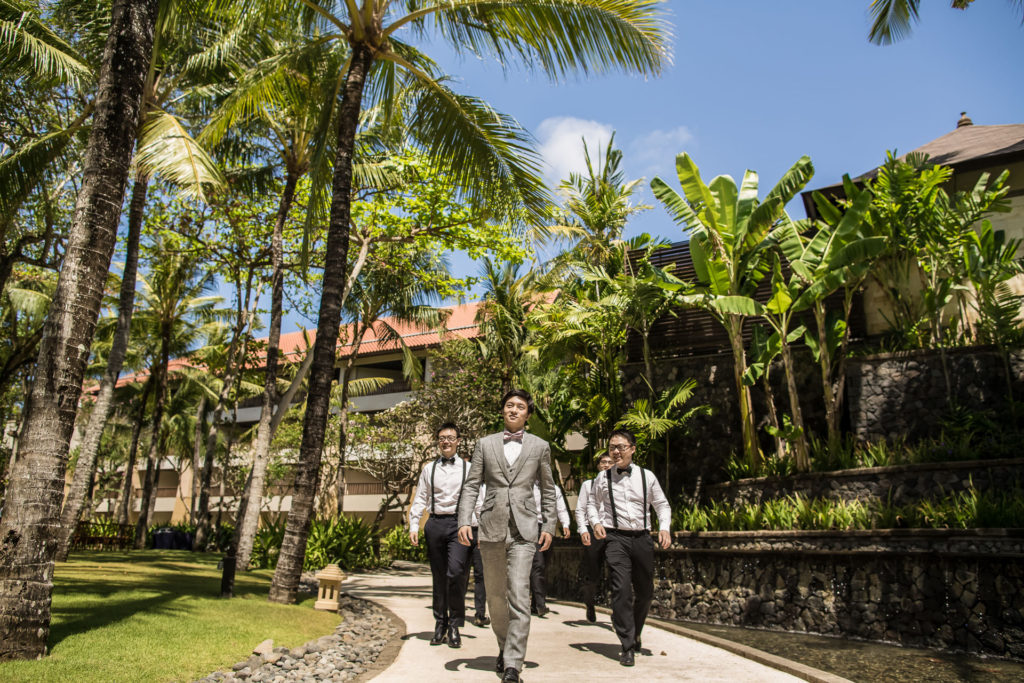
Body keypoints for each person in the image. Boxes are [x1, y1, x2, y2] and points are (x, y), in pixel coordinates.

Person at [458, 389, 557, 683]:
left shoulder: (540, 447)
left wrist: (549, 525)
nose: (513, 410)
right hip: (490, 528)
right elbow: (472, 485)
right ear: (502, 411)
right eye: (509, 405)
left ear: (528, 414)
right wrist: (465, 519)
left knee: (518, 592)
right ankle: (503, 646)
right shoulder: (484, 444)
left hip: (525, 530)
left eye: (520, 407)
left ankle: (514, 663)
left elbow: (549, 489)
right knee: (496, 596)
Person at [587, 429, 672, 668]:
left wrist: (664, 527)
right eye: (612, 447)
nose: (615, 452)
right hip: (615, 538)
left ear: (632, 449)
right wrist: (595, 523)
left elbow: (662, 505)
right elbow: (592, 505)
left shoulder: (647, 476)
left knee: (645, 591)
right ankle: (626, 645)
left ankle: (635, 631)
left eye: (620, 447)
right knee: (621, 588)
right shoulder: (602, 478)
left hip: (642, 538)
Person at [409, 422, 472, 648]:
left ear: (458, 441)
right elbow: (420, 498)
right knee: (439, 577)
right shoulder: (429, 469)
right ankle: (441, 624)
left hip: (459, 524)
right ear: (438, 442)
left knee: (456, 574)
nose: (446, 441)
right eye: (442, 438)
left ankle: (455, 624)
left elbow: (476, 499)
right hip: (435, 523)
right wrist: (414, 525)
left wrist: (477, 527)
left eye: (450, 437)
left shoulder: (468, 468)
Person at [577, 452, 614, 623]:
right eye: (603, 462)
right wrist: (583, 530)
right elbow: (580, 509)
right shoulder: (588, 484)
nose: (606, 465)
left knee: (617, 572)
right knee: (592, 573)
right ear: (598, 466)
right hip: (593, 531)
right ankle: (590, 603)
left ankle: (617, 610)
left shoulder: (620, 483)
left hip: (613, 531)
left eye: (609, 462)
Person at [529, 479, 570, 617]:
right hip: (530, 527)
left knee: (544, 565)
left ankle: (535, 604)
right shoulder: (526, 485)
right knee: (538, 564)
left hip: (548, 528)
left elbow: (561, 507)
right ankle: (541, 604)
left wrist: (565, 524)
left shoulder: (554, 488)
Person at [459, 449, 489, 628]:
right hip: (461, 531)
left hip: (478, 532)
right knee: (459, 574)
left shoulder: (482, 487)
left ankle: (480, 614)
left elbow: (483, 510)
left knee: (480, 575)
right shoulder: (458, 486)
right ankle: (458, 612)